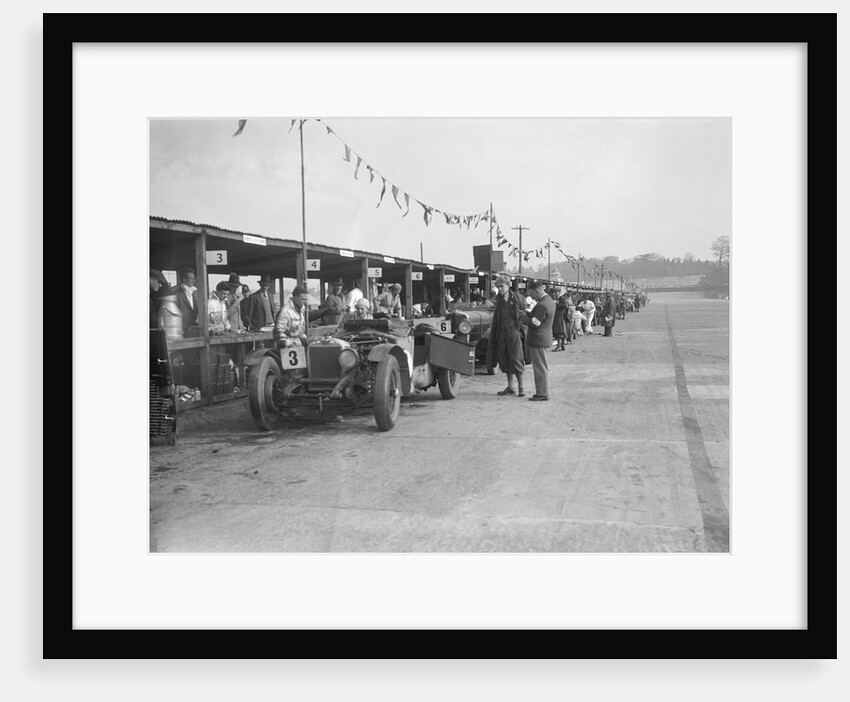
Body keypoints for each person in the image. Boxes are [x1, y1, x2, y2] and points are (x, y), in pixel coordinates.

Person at [486, 275, 527, 397]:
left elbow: (524, 314)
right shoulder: (499, 300)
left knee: (516, 359)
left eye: (501, 286)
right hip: (501, 332)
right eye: (498, 287)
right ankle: (511, 387)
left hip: (513, 332)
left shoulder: (518, 298)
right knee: (504, 359)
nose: (500, 289)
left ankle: (521, 388)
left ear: (508, 285)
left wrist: (518, 328)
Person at [521, 280, 555, 401]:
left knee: (540, 368)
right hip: (544, 338)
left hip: (538, 339)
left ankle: (542, 393)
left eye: (532, 294)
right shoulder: (549, 301)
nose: (532, 297)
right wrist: (529, 313)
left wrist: (523, 318)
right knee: (542, 366)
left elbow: (535, 323)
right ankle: (542, 391)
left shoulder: (542, 305)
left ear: (537, 291)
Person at [173, 266, 199, 332]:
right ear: (184, 279)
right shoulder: (176, 294)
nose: (194, 281)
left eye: (194, 278)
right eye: (191, 279)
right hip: (182, 329)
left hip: (195, 328)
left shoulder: (195, 293)